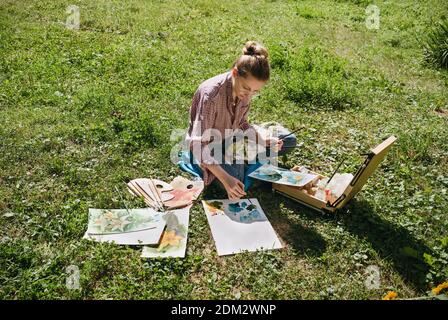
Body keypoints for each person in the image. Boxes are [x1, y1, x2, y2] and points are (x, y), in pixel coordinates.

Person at [181, 41, 290, 199]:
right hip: (209, 145)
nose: (249, 95)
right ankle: (229, 165)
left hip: (231, 139)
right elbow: (197, 144)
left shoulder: (245, 92)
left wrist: (263, 140)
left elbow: (242, 124)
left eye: (255, 91)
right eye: (246, 88)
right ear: (234, 73)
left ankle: (255, 153)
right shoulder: (211, 96)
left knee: (288, 141)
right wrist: (226, 180)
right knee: (235, 181)